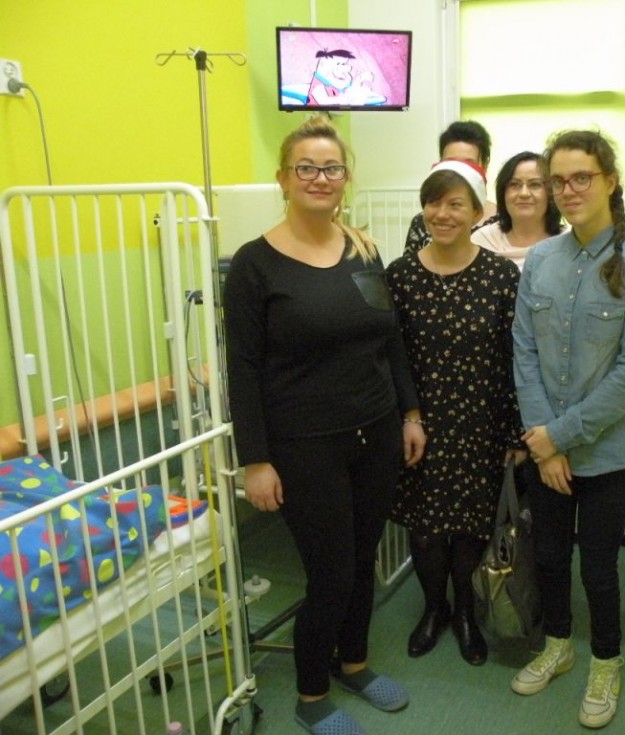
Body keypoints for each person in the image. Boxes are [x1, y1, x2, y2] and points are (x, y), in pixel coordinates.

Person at [223, 115, 425, 735]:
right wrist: (255, 459)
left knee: (363, 559)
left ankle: (353, 662)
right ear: (283, 178)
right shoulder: (254, 266)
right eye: (305, 167)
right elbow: (242, 368)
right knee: (331, 571)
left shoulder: (363, 250)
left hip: (375, 432)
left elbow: (390, 341)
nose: (319, 177)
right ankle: (311, 694)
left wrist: (410, 413)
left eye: (331, 167)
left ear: (345, 179)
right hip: (304, 445)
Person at [510, 129, 625, 729]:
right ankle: (558, 644)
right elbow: (525, 351)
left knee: (598, 566)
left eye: (582, 178)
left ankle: (606, 660)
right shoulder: (541, 260)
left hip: (608, 452)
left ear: (610, 182)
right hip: (546, 447)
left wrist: (562, 436)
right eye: (559, 181)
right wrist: (542, 441)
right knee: (550, 556)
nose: (568, 190)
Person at [386, 159, 525, 666]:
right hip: (420, 423)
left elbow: (515, 356)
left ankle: (465, 609)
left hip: (480, 421)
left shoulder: (501, 276)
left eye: (455, 204)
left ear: (477, 211)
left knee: (471, 525)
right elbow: (392, 354)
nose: (442, 214)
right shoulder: (399, 276)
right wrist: (409, 415)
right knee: (425, 527)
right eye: (433, 202)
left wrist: (514, 430)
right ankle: (434, 608)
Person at [402, 120, 498, 255]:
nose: (458, 170)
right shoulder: (422, 223)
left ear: (485, 166)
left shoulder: (502, 221)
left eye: (468, 164)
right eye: (450, 162)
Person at [471, 150, 565, 271]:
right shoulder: (482, 240)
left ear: (551, 193)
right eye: (514, 185)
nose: (524, 193)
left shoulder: (569, 243)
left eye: (535, 185)